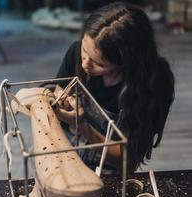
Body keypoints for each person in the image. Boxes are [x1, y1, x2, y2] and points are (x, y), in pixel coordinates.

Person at [53, 2, 175, 173]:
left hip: (107, 171)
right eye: (84, 50)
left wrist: (82, 128)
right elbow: (58, 90)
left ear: (127, 63)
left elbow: (128, 160)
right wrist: (60, 101)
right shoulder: (76, 52)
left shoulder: (154, 85)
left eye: (99, 63)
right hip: (61, 153)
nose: (85, 63)